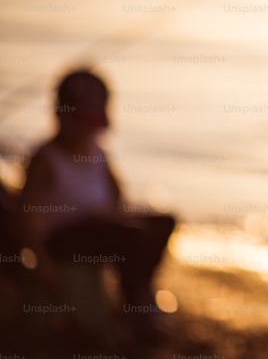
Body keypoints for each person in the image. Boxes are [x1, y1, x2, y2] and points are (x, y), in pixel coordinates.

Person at [15, 67, 176, 344]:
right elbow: (24, 215)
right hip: (62, 241)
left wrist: (123, 217)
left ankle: (138, 295)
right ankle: (137, 310)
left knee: (163, 222)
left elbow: (118, 199)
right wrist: (41, 261)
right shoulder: (46, 157)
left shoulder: (99, 153)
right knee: (128, 237)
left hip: (98, 230)